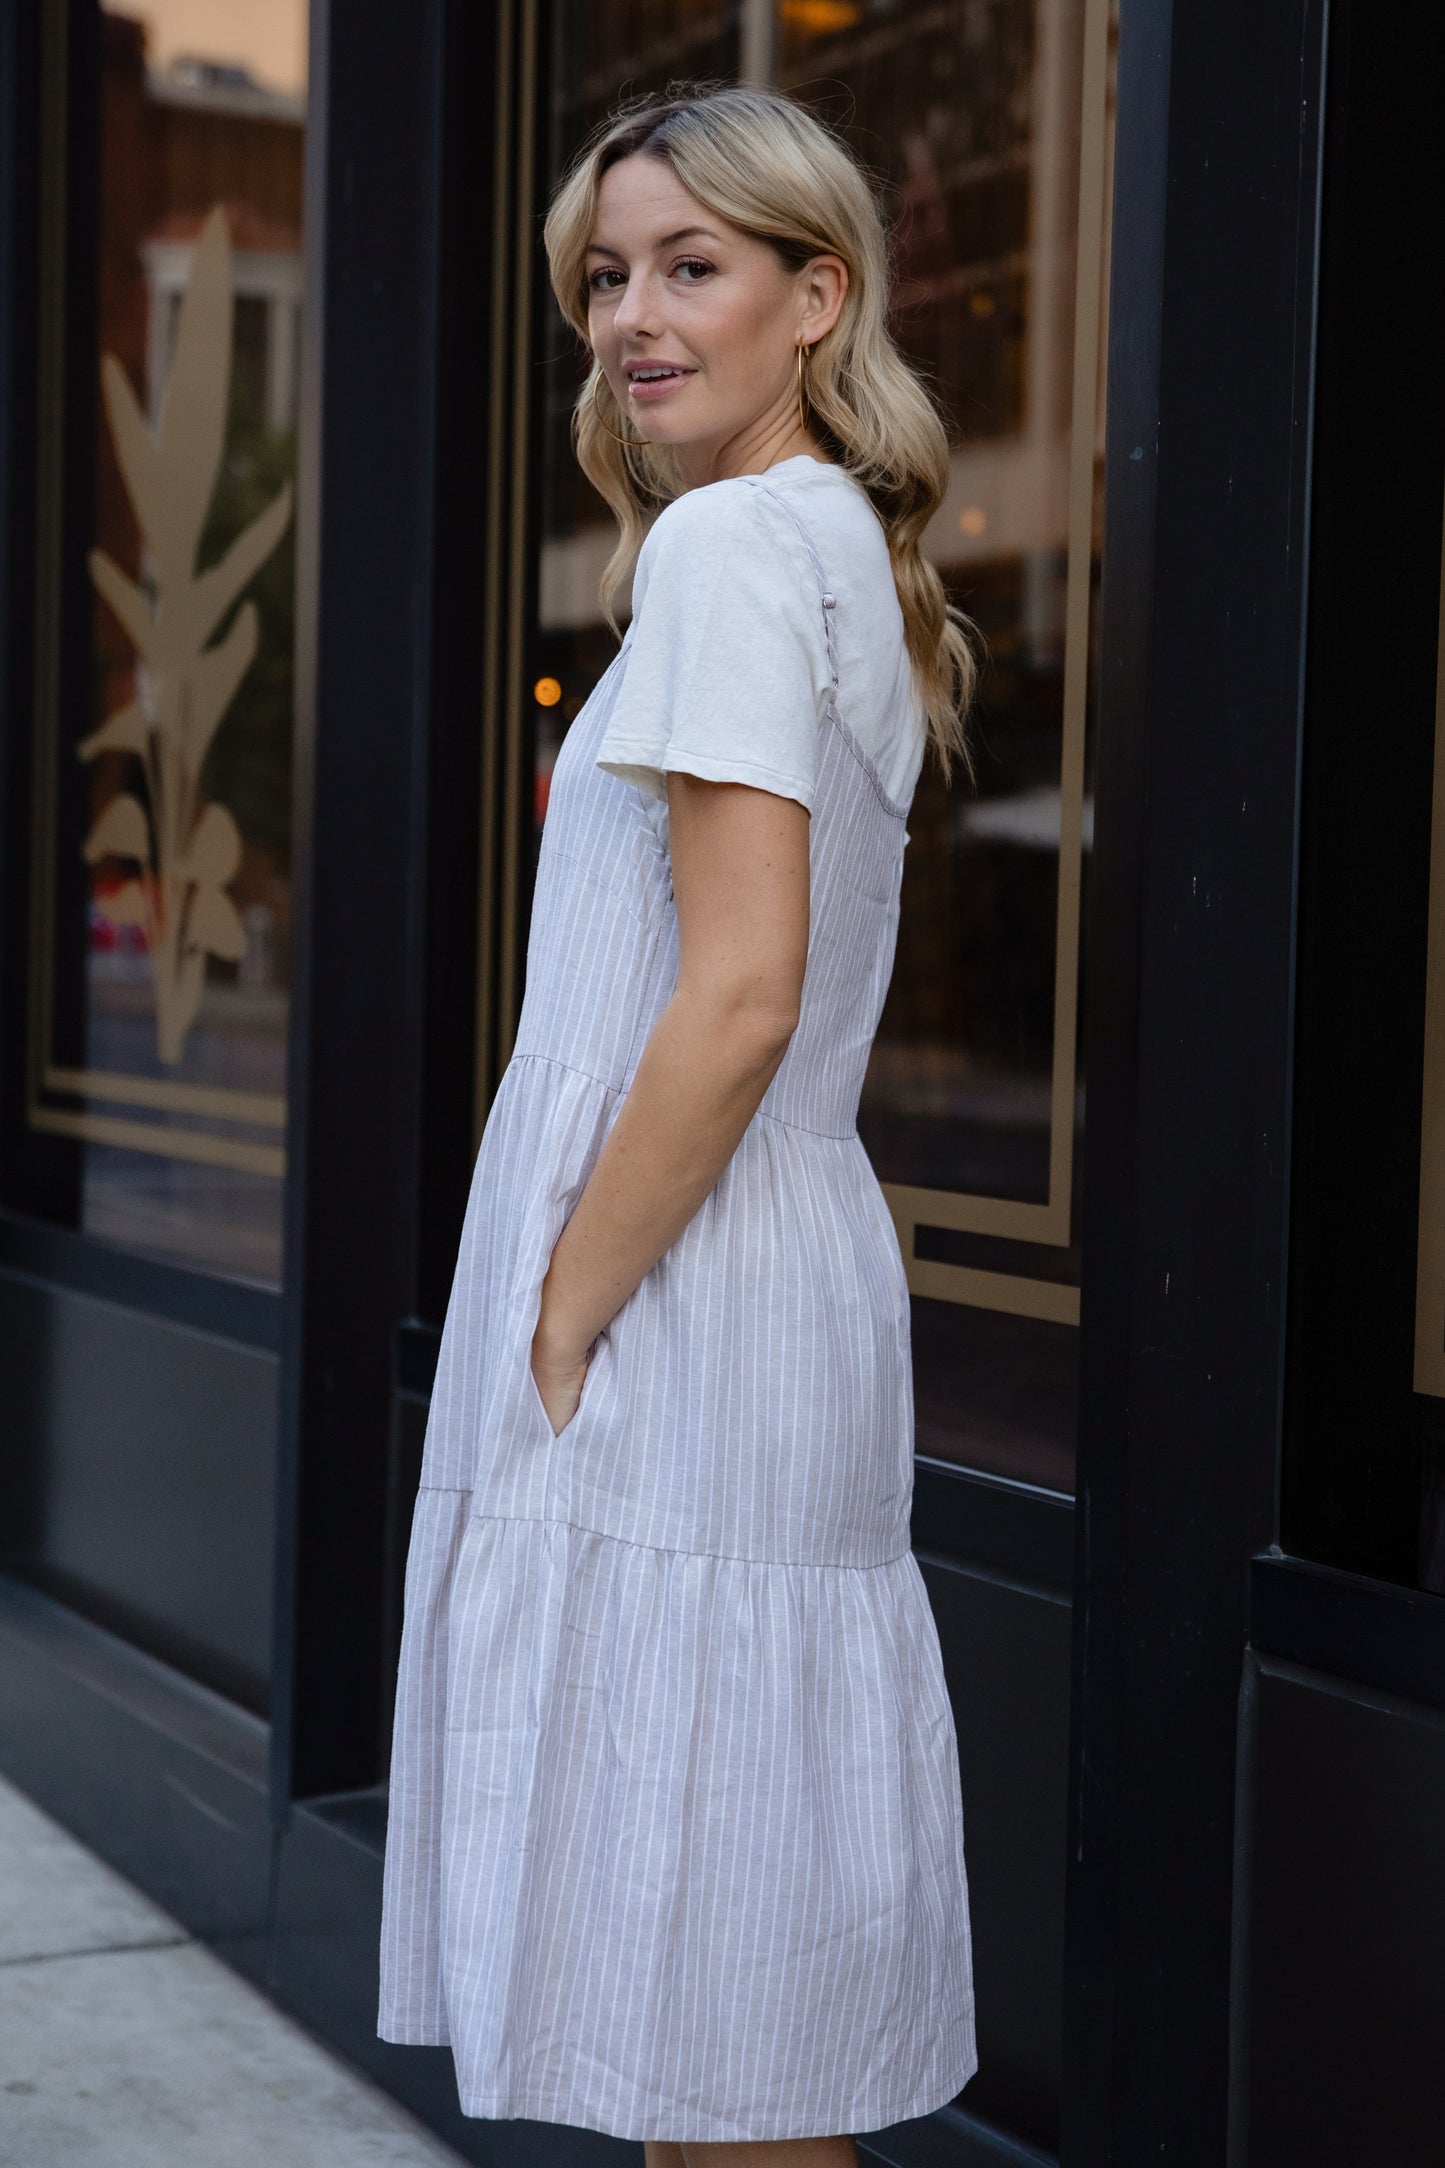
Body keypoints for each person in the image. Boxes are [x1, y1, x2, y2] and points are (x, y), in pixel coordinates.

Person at [379, 80, 979, 2168]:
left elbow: (734, 1000)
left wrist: (559, 1310)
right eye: (607, 277)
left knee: (707, 2009)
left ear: (820, 298)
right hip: (766, 1278)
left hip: (683, 1295)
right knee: (725, 1989)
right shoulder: (831, 549)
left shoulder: (737, 541)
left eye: (691, 267)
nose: (635, 317)